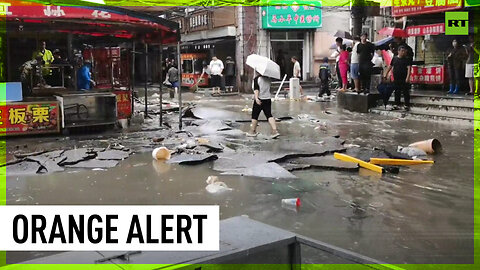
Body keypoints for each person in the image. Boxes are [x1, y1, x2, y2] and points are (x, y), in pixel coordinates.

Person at [246, 72, 279, 139]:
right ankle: (275, 130)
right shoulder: (268, 79)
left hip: (259, 99)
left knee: (255, 115)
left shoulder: (256, 79)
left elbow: (256, 89)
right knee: (269, 115)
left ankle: (252, 131)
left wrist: (256, 98)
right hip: (267, 99)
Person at [384, 46, 412, 111]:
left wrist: (408, 77)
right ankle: (397, 104)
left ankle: (407, 105)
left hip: (404, 77)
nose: (403, 52)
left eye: (404, 51)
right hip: (396, 77)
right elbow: (390, 66)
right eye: (402, 51)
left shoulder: (407, 59)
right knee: (397, 91)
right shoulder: (395, 58)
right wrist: (386, 73)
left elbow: (409, 69)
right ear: (398, 51)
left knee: (405, 91)